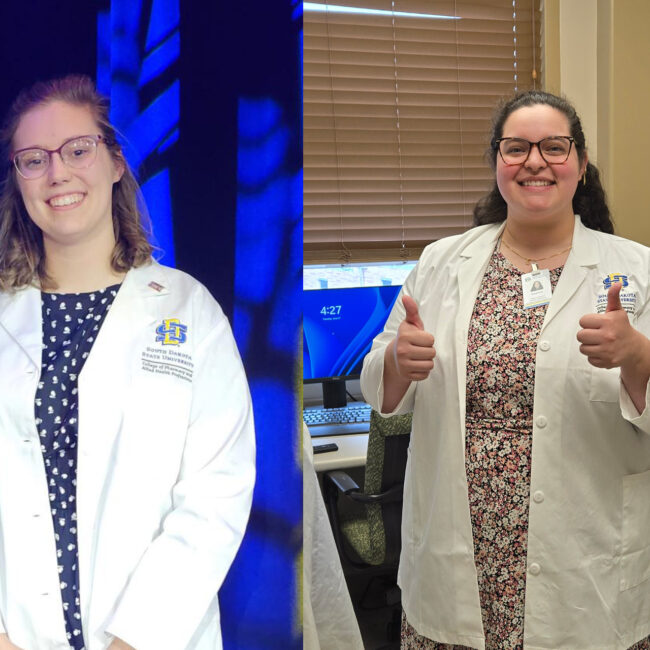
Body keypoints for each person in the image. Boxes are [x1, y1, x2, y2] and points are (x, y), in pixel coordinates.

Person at [361, 90, 650, 650]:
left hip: (582, 556)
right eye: (516, 148)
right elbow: (381, 388)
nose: (535, 161)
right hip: (461, 549)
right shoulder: (443, 262)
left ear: (581, 164)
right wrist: (398, 360)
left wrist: (637, 355)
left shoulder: (635, 267)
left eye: (554, 147)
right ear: (498, 161)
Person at [0, 75, 255, 650]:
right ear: (18, 181)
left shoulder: (190, 311)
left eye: (78, 149)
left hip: (155, 636)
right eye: (33, 159)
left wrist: (134, 639)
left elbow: (217, 493)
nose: (57, 173)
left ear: (116, 161)